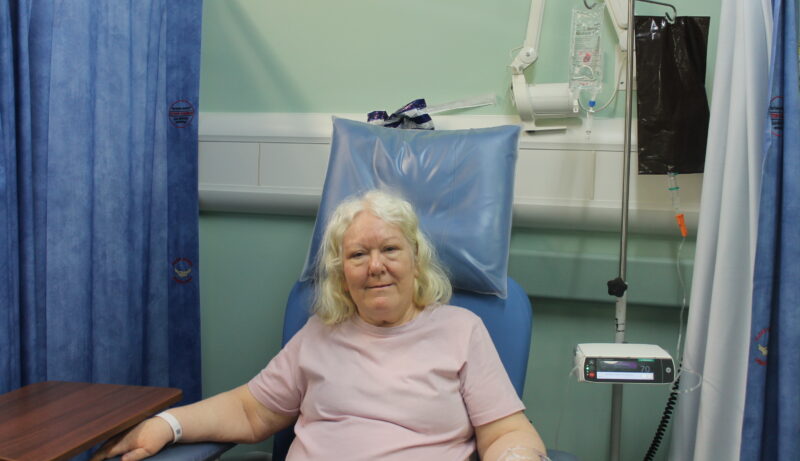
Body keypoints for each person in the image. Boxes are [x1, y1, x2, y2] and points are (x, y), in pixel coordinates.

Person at [93, 190, 549, 461]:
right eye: (357, 255)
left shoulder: (460, 330)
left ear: (415, 258)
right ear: (341, 273)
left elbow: (507, 432)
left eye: (390, 250)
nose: (375, 267)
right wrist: (167, 424)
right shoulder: (320, 333)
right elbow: (251, 412)